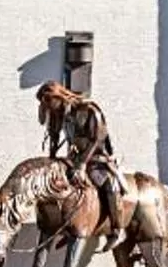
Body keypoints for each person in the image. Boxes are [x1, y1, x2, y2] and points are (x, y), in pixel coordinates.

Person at [35, 81, 127, 241]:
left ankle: (117, 228)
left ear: (58, 96)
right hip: (75, 158)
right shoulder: (59, 114)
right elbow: (54, 135)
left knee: (109, 185)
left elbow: (97, 139)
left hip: (98, 158)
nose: (50, 109)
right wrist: (51, 159)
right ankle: (70, 225)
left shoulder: (88, 109)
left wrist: (83, 164)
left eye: (49, 102)